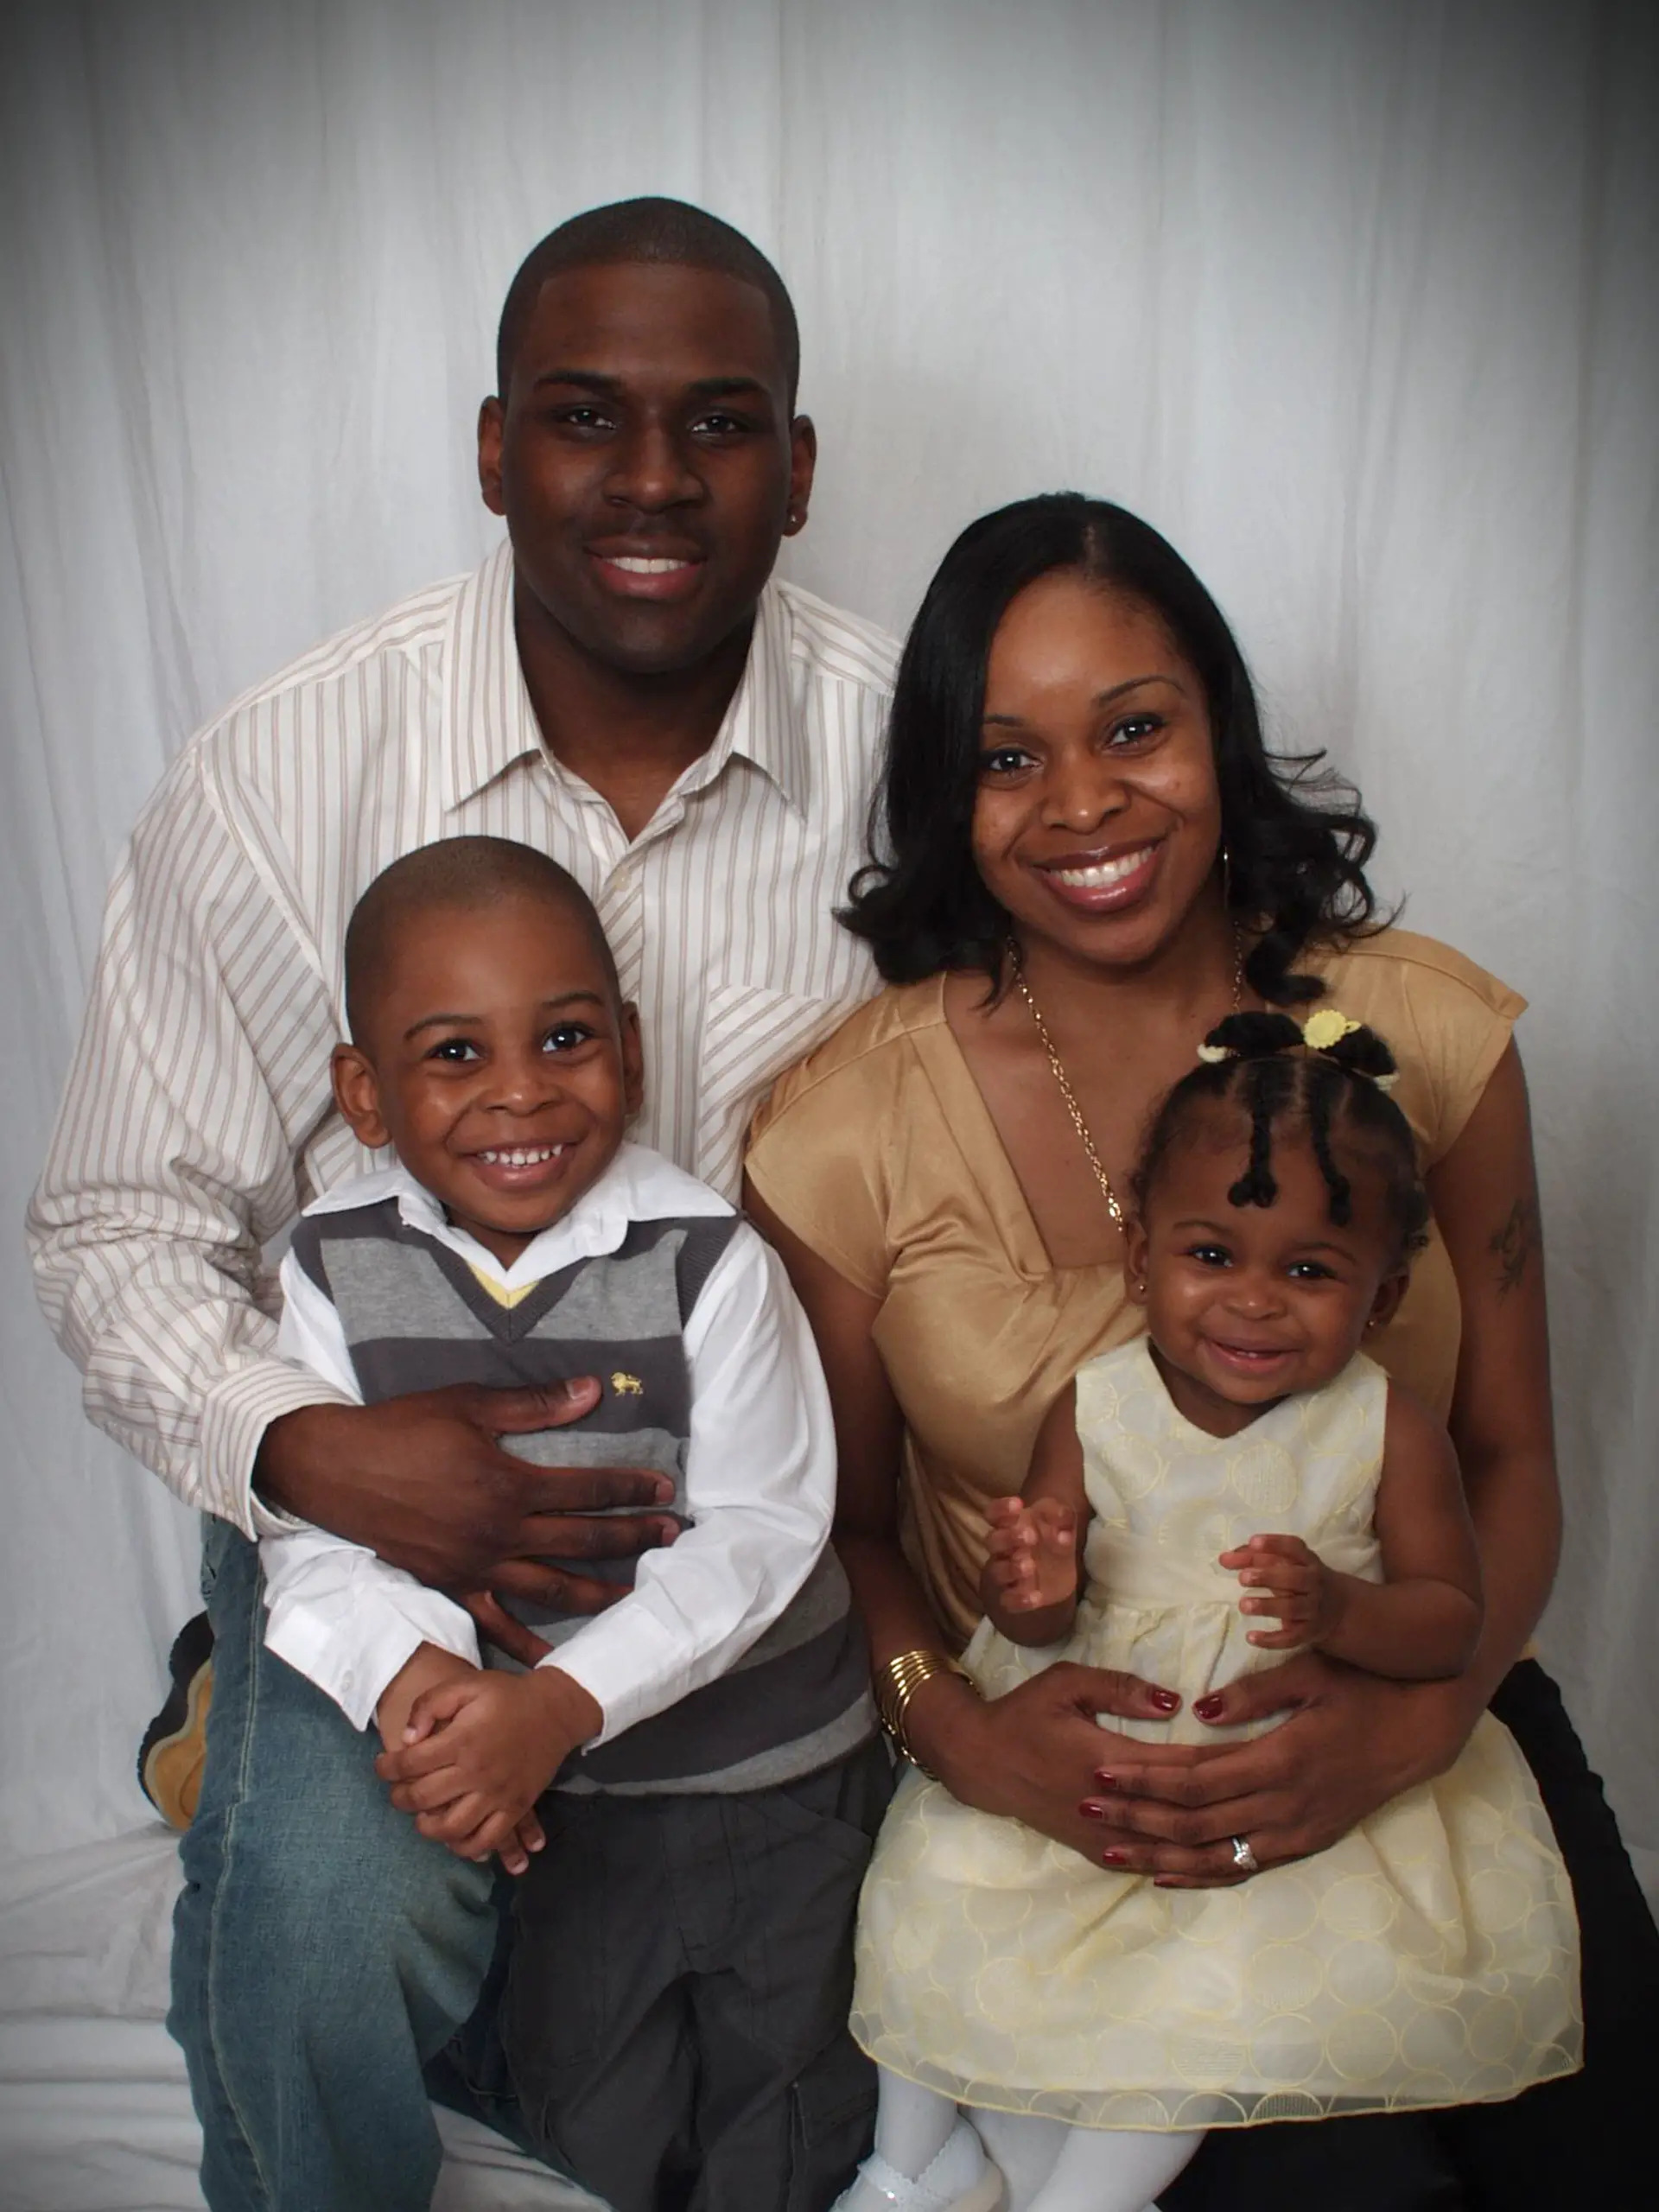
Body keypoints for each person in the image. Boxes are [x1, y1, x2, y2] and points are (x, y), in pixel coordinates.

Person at [29, 197, 897, 2211]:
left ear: (800, 462)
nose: (657, 481)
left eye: (723, 422)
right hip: (374, 1503)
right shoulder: (285, 764)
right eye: (587, 417)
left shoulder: (912, 753)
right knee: (334, 1904)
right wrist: (317, 1458)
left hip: (734, 1521)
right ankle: (254, 1732)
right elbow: (114, 1223)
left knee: (765, 2020)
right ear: (493, 445)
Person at [744, 493, 1659, 2209]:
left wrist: (1417, 1724)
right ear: (949, 791)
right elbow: (844, 1527)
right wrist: (963, 1735)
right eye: (1009, 756)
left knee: (1606, 2148)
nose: (1083, 801)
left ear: (1221, 733)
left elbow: (1518, 1454)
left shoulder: (1431, 1034)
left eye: (1137, 726)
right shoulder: (847, 1123)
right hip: (1074, 1785)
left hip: (1424, 1695)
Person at [832, 1012, 1579, 2212]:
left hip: (1272, 1800)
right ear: (1141, 1262)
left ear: (1382, 1297)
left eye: (1310, 1270)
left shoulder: (1384, 1429)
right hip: (1089, 1771)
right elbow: (1034, 1624)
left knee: (1198, 2013)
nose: (1254, 1304)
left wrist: (1338, 1609)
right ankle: (914, 2163)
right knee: (942, 1917)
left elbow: (1446, 1620)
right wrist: (1032, 1588)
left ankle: (1084, 2201)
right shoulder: (1095, 1406)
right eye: (1212, 1255)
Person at [261, 836, 884, 2210]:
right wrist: (413, 1679)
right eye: (454, 1056)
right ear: (364, 1094)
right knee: (598, 2141)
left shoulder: (708, 1256)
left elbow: (765, 1534)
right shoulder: (326, 1266)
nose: (523, 1091)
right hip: (561, 1808)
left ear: (632, 1047)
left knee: (787, 2130)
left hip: (763, 1774)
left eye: (564, 1037)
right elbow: (316, 1528)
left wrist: (558, 1702)